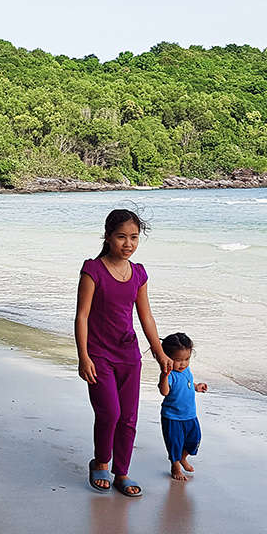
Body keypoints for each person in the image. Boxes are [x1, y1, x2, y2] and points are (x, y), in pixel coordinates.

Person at [76, 208, 172, 498]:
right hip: (99, 355)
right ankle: (101, 461)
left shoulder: (139, 273)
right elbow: (82, 316)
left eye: (133, 237)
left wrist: (159, 352)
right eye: (121, 237)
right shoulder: (93, 269)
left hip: (129, 355)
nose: (128, 244)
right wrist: (83, 357)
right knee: (110, 412)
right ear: (107, 237)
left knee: (129, 417)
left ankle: (122, 472)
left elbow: (146, 317)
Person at [157, 332, 207, 481]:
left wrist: (197, 387)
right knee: (175, 442)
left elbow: (187, 385)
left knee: (194, 439)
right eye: (178, 360)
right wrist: (164, 376)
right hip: (172, 417)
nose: (183, 364)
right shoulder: (169, 374)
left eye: (187, 359)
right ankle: (175, 465)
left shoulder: (187, 370)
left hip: (190, 415)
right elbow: (164, 391)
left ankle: (183, 458)